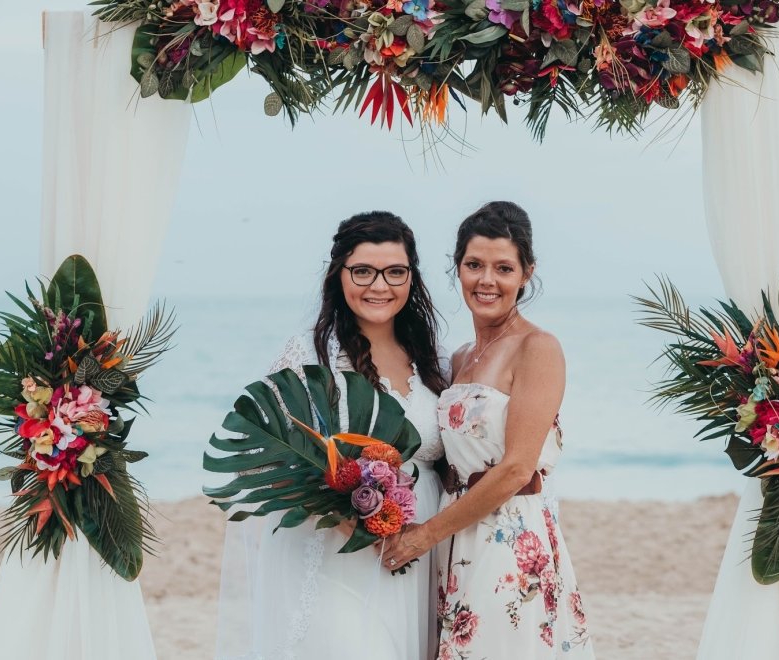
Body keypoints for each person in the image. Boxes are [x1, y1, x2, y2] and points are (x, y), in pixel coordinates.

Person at [214, 211, 447, 660]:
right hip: (334, 552)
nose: (380, 285)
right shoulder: (309, 353)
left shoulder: (432, 357)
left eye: (395, 272)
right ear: (338, 274)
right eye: (363, 271)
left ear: (412, 278)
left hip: (418, 553)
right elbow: (264, 452)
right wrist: (347, 515)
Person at [382, 201, 595, 658]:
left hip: (509, 533)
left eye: (503, 268)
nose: (486, 280)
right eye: (474, 265)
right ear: (457, 268)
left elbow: (518, 466)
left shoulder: (538, 348)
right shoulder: (459, 357)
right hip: (457, 531)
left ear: (526, 273)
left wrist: (425, 535)